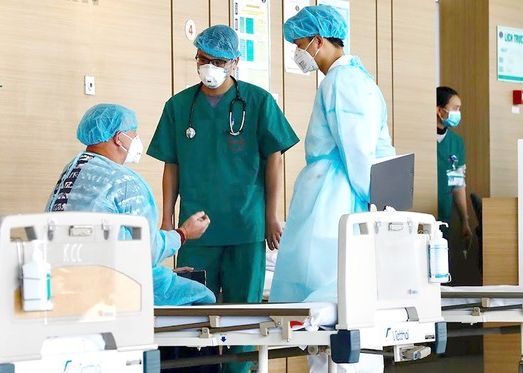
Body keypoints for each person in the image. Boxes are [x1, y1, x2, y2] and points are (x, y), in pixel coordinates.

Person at [147, 25, 299, 373]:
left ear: (234, 62)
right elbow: (171, 164)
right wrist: (167, 221)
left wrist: (272, 216)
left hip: (245, 225)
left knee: (243, 315)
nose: (209, 67)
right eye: (203, 59)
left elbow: (274, 158)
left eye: (218, 61)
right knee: (192, 314)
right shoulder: (179, 106)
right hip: (195, 232)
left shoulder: (258, 101)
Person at [269, 5, 395, 372]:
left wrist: (375, 198)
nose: (297, 52)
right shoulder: (350, 80)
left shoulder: (343, 82)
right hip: (333, 194)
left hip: (336, 198)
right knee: (328, 317)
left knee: (331, 303)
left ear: (319, 40)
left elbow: (359, 152)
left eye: (299, 44)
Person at [45, 103, 215, 306]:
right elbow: (146, 250)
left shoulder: (73, 170)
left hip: (64, 278)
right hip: (110, 284)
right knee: (202, 296)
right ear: (119, 137)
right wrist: (183, 233)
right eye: (134, 134)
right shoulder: (123, 182)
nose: (137, 141)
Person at [436, 86, 472, 240]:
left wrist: (465, 220)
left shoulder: (457, 143)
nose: (458, 114)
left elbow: (458, 184)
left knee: (440, 259)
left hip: (444, 216)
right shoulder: (422, 140)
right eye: (455, 108)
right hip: (421, 215)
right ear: (440, 110)